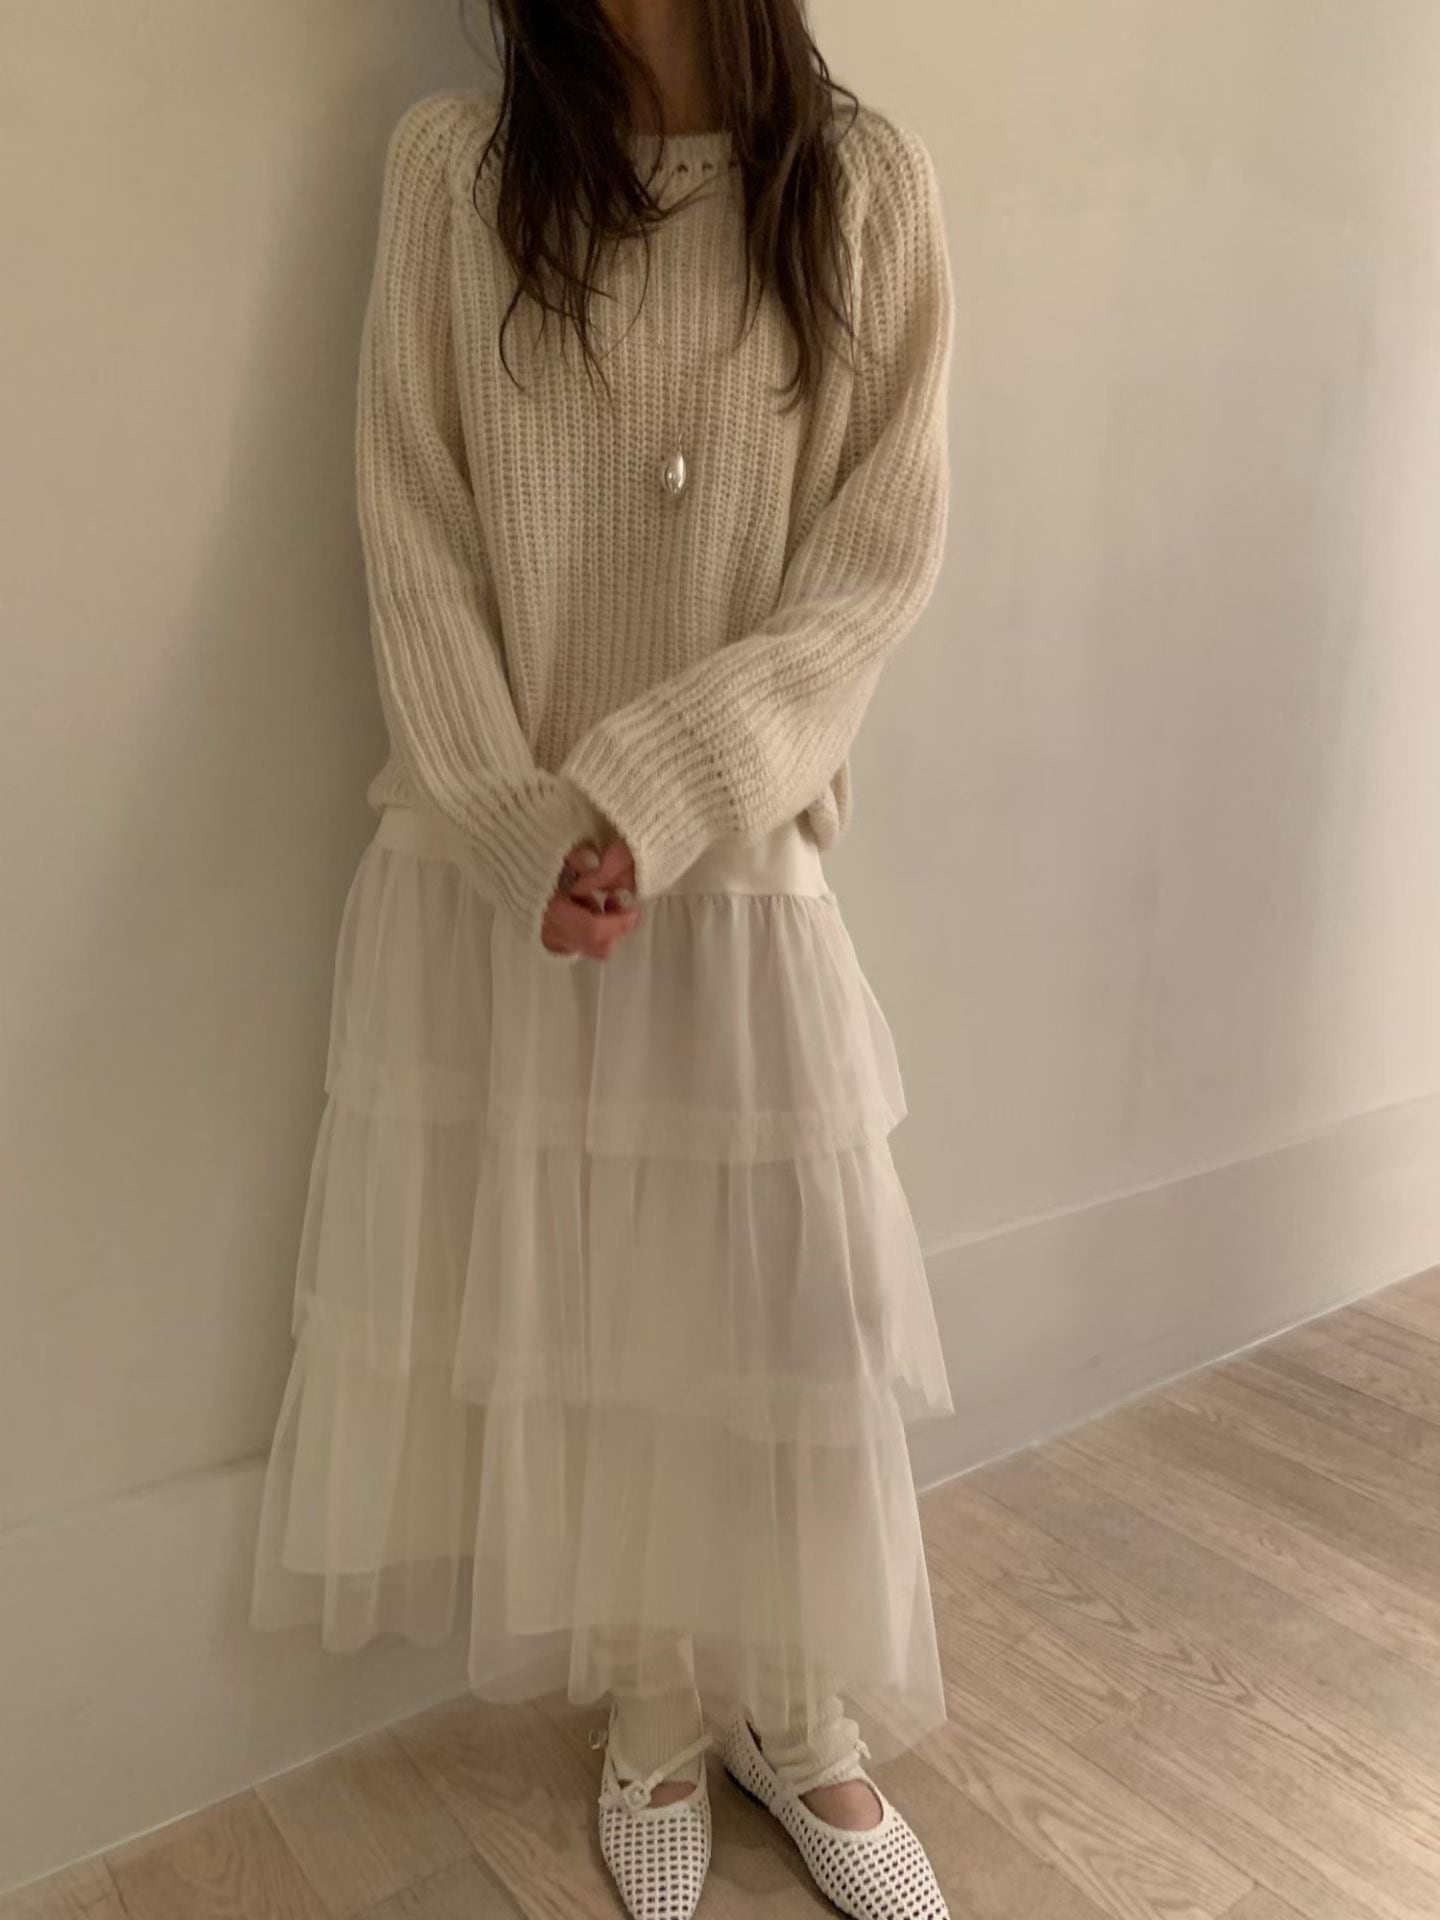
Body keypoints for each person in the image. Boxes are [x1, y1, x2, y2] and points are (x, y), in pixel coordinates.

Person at [250, 2, 956, 1915]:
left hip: (733, 856)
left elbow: (876, 564)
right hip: (507, 870)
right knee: (595, 1319)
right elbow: (411, 517)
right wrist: (518, 820)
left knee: (791, 1322)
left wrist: (658, 788)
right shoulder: (456, 174)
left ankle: (795, 1710)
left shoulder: (867, 188)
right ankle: (649, 1702)